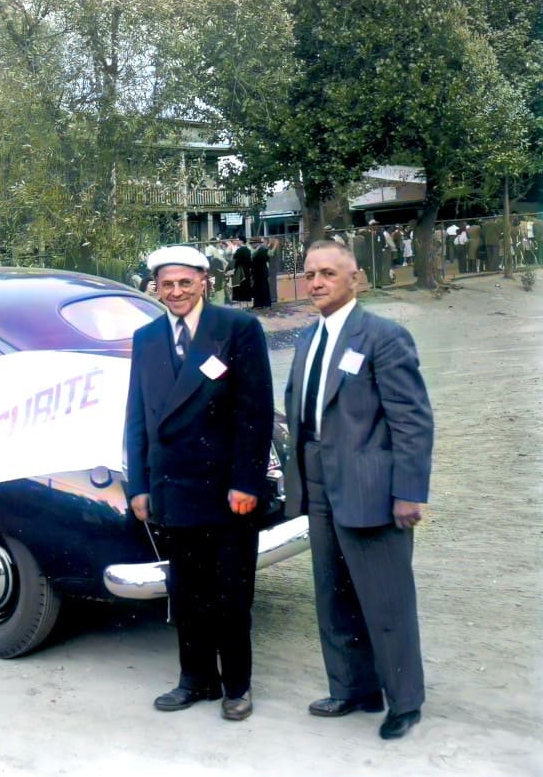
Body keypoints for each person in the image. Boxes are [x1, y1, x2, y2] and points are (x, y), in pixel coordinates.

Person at [283, 240, 433, 741]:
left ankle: (403, 701)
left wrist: (409, 492)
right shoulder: (307, 338)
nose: (317, 283)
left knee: (385, 600)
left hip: (371, 486)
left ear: (356, 279)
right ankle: (353, 689)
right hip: (320, 484)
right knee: (333, 594)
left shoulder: (384, 337)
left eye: (328, 273)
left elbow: (412, 420)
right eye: (310, 275)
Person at [125, 244, 274, 722]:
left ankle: (237, 686)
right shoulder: (146, 337)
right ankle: (195, 680)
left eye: (185, 282)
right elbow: (138, 419)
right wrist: (140, 487)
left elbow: (254, 414)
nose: (176, 292)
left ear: (205, 280)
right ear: (156, 287)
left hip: (228, 491)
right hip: (173, 489)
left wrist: (247, 481)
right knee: (187, 594)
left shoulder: (237, 329)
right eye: (166, 284)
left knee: (232, 594)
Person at [250, 240, 272, 308]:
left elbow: (263, 260)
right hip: (257, 273)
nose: (251, 245)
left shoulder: (262, 250)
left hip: (261, 273)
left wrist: (252, 260)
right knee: (258, 289)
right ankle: (258, 304)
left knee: (263, 289)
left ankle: (265, 304)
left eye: (252, 244)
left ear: (257, 243)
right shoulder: (256, 251)